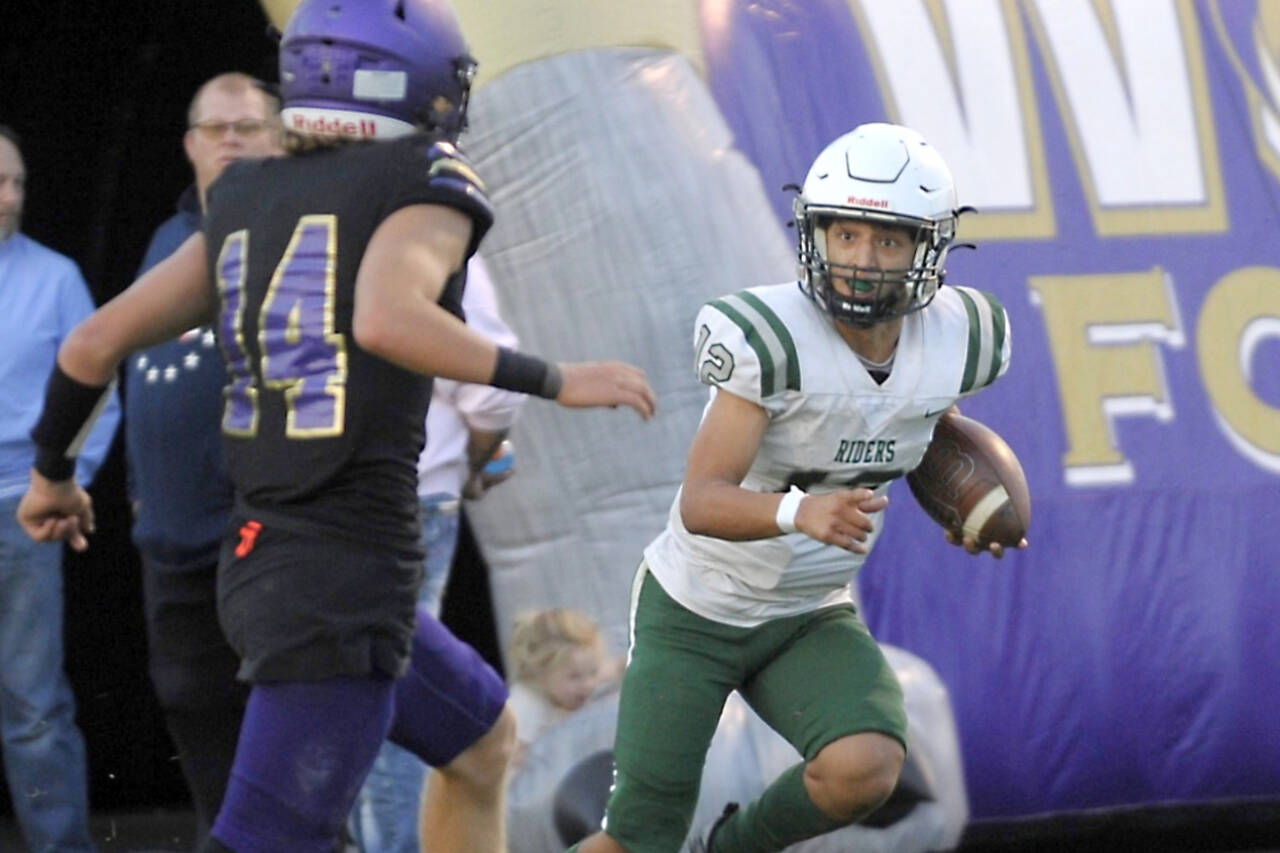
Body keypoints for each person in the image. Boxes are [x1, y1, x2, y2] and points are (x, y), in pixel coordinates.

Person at [14, 0, 656, 851]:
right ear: (400, 78)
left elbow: (94, 344)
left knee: (482, 743)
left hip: (273, 558)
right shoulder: (422, 176)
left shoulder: (243, 193)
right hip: (344, 573)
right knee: (265, 840)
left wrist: (52, 474)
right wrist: (554, 377)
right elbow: (387, 317)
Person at [570, 122, 1022, 853]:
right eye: (845, 236)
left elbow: (921, 414)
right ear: (817, 236)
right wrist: (798, 510)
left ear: (927, 248)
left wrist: (965, 505)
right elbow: (702, 500)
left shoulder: (958, 339)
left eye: (887, 241)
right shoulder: (771, 340)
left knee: (865, 766)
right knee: (636, 840)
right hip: (698, 608)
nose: (862, 261)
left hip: (807, 610)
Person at [124, 71, 282, 847]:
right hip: (172, 543)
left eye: (247, 127)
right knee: (197, 720)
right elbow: (131, 367)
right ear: (188, 144)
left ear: (282, 139)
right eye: (214, 128)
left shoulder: (298, 234)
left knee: (282, 739)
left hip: (256, 542)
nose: (229, 139)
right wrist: (135, 490)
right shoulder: (167, 238)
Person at [349, 254, 527, 853]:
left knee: (362, 705)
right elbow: (492, 394)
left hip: (319, 508)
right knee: (403, 714)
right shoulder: (434, 241)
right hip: (406, 497)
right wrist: (475, 461)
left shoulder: (306, 222)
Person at [0, 123, 120, 852]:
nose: (10, 196)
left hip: (22, 503)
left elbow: (100, 396)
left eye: (16, 182)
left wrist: (68, 482)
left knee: (32, 707)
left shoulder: (54, 277)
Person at [506, 608, 623, 769]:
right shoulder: (525, 705)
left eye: (593, 672)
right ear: (541, 673)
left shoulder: (584, 676)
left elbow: (616, 668)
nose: (589, 684)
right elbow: (504, 754)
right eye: (574, 676)